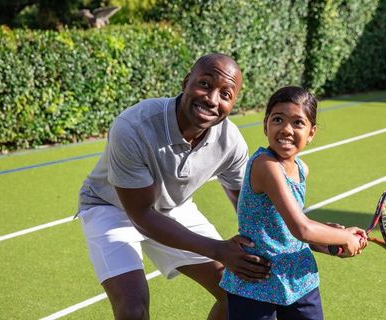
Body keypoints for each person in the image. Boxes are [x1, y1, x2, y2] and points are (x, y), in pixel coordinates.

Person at [76, 53, 271, 320]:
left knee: (239, 293)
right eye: (205, 84)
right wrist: (219, 249)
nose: (212, 99)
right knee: (132, 310)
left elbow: (249, 206)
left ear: (233, 103)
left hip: (172, 207)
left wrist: (307, 236)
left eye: (225, 94)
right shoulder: (133, 126)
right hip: (111, 208)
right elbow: (142, 215)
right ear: (185, 82)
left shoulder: (230, 141)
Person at [219, 86, 367, 320]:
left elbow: (286, 225)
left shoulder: (301, 169)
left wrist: (328, 237)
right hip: (257, 281)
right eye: (278, 119)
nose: (286, 129)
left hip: (299, 279)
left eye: (298, 123)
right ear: (265, 124)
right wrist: (344, 238)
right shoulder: (266, 166)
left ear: (311, 132)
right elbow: (302, 228)